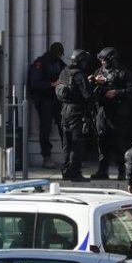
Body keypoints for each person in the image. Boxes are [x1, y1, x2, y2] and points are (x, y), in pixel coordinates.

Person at [89, 47, 132, 180]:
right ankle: (102, 170)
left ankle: (122, 171)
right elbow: (91, 91)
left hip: (118, 112)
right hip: (102, 111)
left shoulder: (123, 72)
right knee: (102, 141)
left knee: (119, 142)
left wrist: (117, 92)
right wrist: (93, 81)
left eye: (104, 60)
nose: (102, 62)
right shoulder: (99, 71)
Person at [55, 49, 95, 182]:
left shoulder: (65, 71)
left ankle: (66, 172)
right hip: (76, 112)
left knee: (67, 145)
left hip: (64, 111)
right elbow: (87, 95)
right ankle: (75, 173)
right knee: (77, 144)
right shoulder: (79, 74)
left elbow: (68, 89)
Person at [29, 42, 66, 169]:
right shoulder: (41, 63)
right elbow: (35, 83)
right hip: (45, 100)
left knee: (65, 127)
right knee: (45, 129)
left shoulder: (59, 63)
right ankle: (46, 157)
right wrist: (52, 84)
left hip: (58, 100)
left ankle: (69, 156)